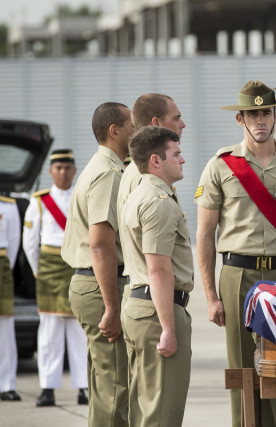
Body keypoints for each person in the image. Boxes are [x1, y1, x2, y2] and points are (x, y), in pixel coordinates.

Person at [195, 80, 276, 427]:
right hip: (239, 276)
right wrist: (210, 295)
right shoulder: (221, 165)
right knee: (243, 369)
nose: (260, 120)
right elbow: (205, 234)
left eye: (266, 112)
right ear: (240, 120)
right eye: (253, 114)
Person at [61, 102, 135, 426]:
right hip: (101, 284)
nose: (136, 131)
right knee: (116, 387)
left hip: (93, 282)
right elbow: (101, 244)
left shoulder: (104, 166)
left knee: (106, 385)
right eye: (131, 124)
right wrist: (112, 307)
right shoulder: (108, 173)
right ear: (114, 130)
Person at [120, 126, 193, 425]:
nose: (183, 160)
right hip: (157, 311)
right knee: (162, 413)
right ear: (156, 161)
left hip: (142, 306)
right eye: (175, 154)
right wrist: (168, 329)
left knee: (145, 409)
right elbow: (159, 270)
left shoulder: (141, 195)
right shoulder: (157, 202)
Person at [22, 149, 89, 407]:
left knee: (79, 331)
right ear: (51, 171)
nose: (63, 172)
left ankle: (83, 387)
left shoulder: (81, 198)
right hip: (49, 270)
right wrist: (40, 272)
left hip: (77, 267)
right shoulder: (39, 201)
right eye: (58, 168)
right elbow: (30, 244)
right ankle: (47, 388)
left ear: (74, 171)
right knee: (49, 333)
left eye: (67, 167)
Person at [117, 93, 186, 215]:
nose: (182, 125)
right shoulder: (146, 172)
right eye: (176, 119)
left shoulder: (142, 167)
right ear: (156, 123)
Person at [0, 195, 21, 402]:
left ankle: (7, 385)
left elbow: (14, 242)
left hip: (1, 266)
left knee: (5, 328)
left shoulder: (8, 206)